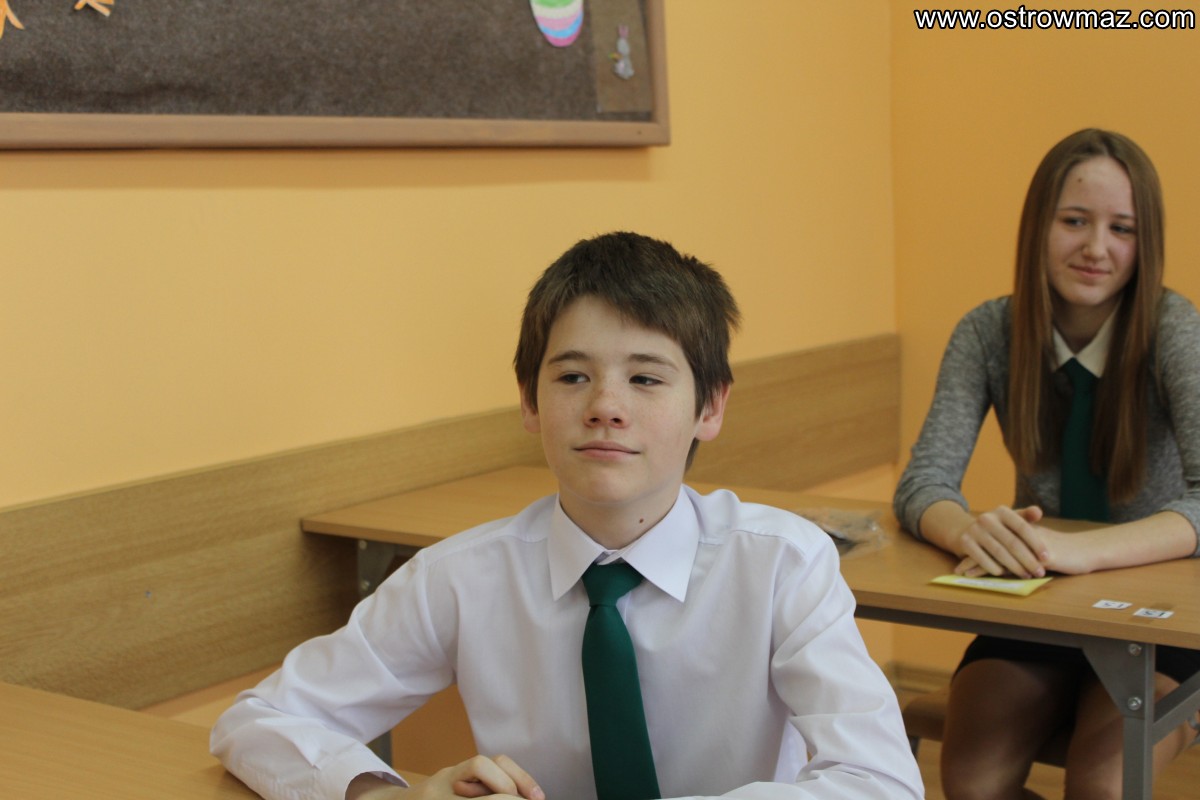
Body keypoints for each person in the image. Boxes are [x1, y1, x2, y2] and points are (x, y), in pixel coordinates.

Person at [212, 231, 924, 800]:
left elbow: (880, 780)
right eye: (573, 376)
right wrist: (386, 793)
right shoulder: (461, 577)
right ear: (530, 401)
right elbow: (258, 720)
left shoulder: (782, 565)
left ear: (710, 407)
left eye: (645, 378)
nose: (605, 406)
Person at [893, 129, 1200, 799]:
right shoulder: (988, 331)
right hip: (1040, 603)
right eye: (1074, 221)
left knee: (1103, 786)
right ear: (1038, 226)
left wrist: (1082, 552)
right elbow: (923, 483)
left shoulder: (1175, 328)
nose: (1096, 248)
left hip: (1158, 617)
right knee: (972, 783)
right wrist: (970, 531)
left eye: (1122, 228)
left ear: (1146, 243)